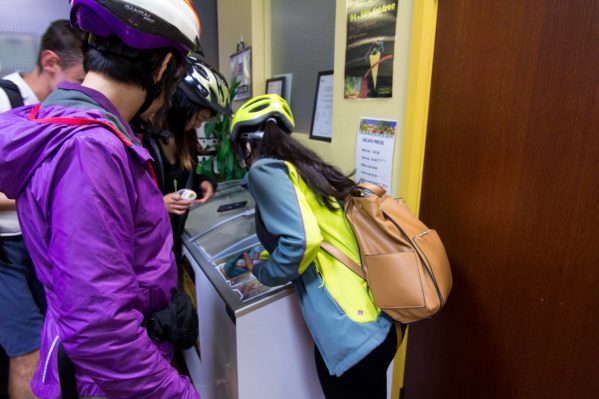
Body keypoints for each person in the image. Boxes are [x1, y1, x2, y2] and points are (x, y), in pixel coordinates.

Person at [0, 0, 203, 398]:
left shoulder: (79, 131)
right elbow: (100, 326)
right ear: (162, 67)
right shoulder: (91, 149)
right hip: (109, 383)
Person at [230, 94, 398, 398]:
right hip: (377, 318)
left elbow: (302, 241)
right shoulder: (306, 168)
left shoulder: (264, 170)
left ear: (246, 146)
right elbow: (319, 233)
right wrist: (265, 254)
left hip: (350, 331)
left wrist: (264, 271)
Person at [0, 20, 85, 399]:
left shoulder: (51, 110)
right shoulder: (4, 101)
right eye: (78, 80)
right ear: (50, 62)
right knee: (27, 355)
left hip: (39, 246)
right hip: (5, 253)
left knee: (54, 343)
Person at [133, 54, 231, 261]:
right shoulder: (139, 137)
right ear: (180, 105)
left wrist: (201, 182)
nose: (197, 125)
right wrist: (158, 206)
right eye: (198, 118)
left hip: (170, 247)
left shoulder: (185, 138)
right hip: (145, 254)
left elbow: (176, 181)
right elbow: (123, 205)